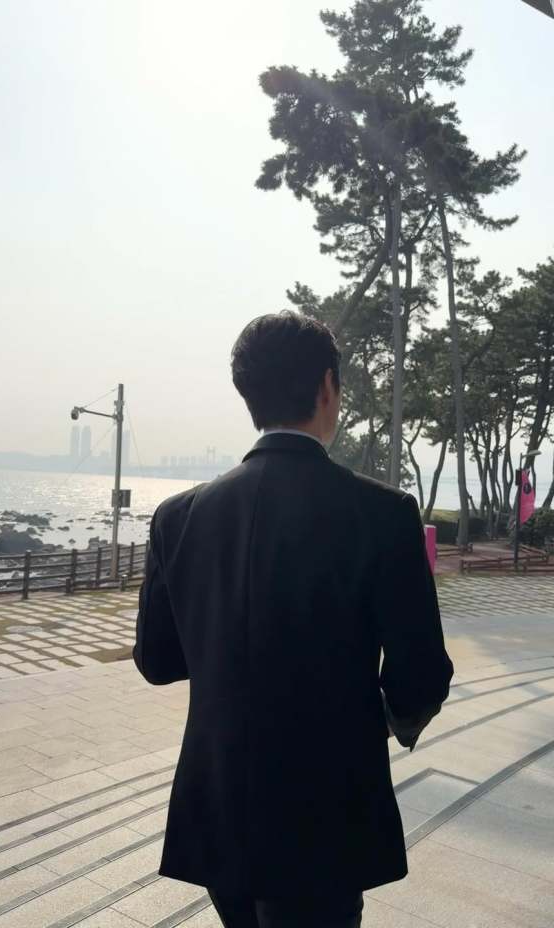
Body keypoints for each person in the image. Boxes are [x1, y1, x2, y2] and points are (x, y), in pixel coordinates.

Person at [133, 311, 454, 928]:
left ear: (247, 393)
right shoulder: (384, 513)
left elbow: (158, 661)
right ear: (328, 387)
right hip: (328, 805)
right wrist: (380, 722)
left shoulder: (178, 516)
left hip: (219, 799)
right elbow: (421, 674)